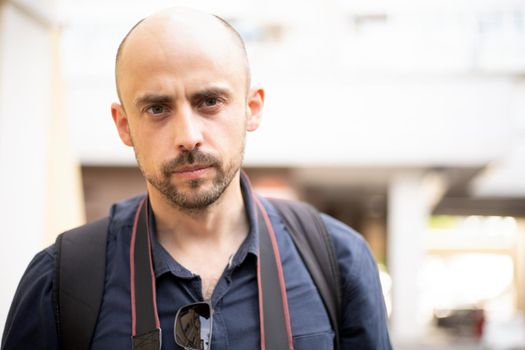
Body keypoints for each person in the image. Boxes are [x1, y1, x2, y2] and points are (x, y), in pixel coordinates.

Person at [1, 8, 392, 350]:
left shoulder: (339, 262)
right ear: (124, 125)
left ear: (251, 109)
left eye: (209, 102)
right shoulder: (61, 281)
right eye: (157, 108)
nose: (188, 135)